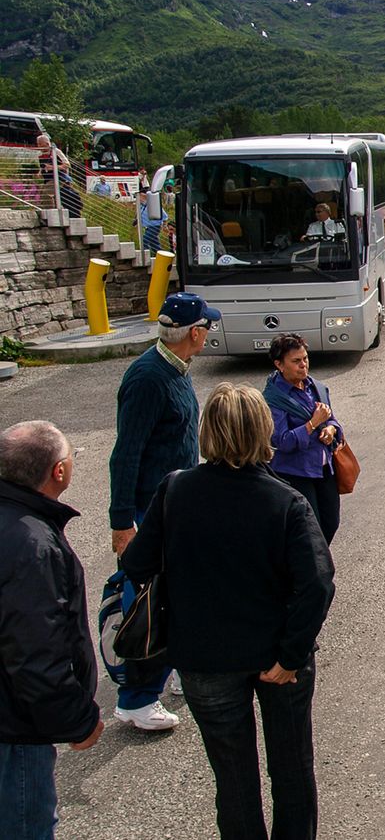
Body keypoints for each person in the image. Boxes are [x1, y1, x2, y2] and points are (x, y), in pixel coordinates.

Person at [121, 383, 335, 840]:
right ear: (263, 432)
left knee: (233, 777)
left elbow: (137, 564)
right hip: (277, 658)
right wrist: (292, 656)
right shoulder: (285, 501)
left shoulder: (175, 490)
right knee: (292, 765)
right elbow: (316, 584)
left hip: (203, 658)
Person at [108, 292, 220, 729]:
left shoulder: (174, 368)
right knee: (149, 600)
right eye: (207, 326)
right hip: (149, 510)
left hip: (172, 504)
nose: (209, 332)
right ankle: (136, 697)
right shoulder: (148, 379)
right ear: (194, 333)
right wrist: (123, 523)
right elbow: (125, 454)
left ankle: (168, 665)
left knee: (174, 593)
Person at [0, 421, 103, 839]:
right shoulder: (32, 545)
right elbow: (35, 652)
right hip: (15, 728)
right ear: (58, 472)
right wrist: (77, 720)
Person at [263, 334, 345, 545]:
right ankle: (314, 567)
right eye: (296, 361)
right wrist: (312, 424)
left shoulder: (315, 388)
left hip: (323, 469)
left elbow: (332, 420)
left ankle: (316, 560)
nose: (303, 365)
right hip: (296, 473)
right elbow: (281, 441)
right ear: (279, 365)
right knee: (310, 527)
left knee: (330, 522)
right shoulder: (274, 400)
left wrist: (331, 430)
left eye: (305, 359)